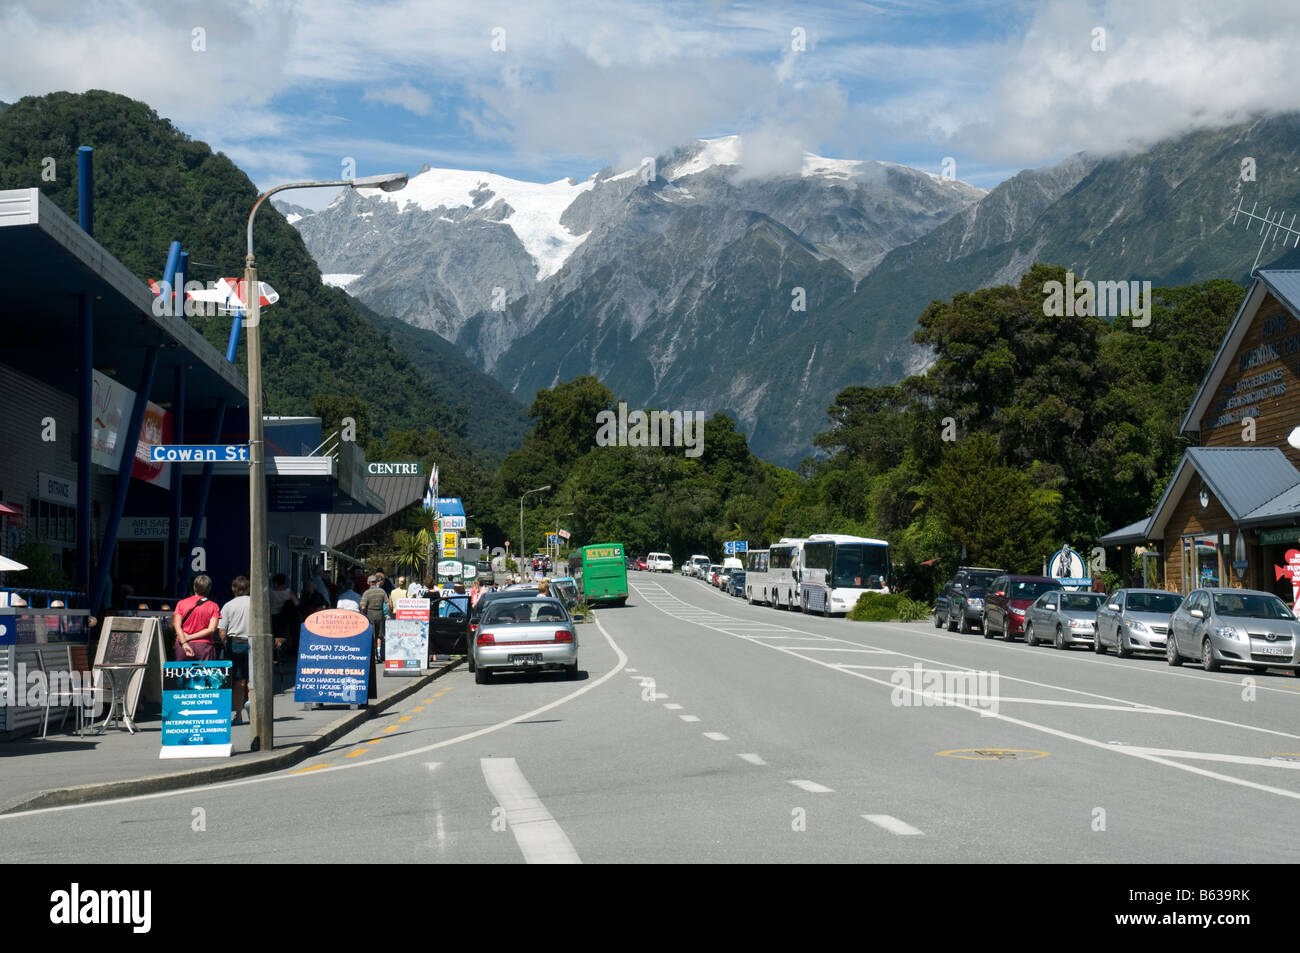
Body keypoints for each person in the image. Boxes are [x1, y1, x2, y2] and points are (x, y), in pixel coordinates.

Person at [220, 575, 252, 725]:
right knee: (252, 680)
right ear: (248, 588)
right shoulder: (255, 602)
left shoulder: (228, 605)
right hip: (254, 641)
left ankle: (238, 715)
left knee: (238, 681)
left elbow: (222, 630)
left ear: (233, 589)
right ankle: (254, 711)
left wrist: (224, 643)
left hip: (235, 644)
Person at [172, 574, 221, 661]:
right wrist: (190, 637)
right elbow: (211, 629)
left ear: (194, 587)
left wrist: (184, 641)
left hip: (183, 645)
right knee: (205, 673)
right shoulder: (214, 606)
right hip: (204, 647)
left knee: (182, 673)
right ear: (209, 588)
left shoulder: (181, 603)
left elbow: (177, 625)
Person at [360, 573, 393, 663]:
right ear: (376, 582)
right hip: (380, 613)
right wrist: (389, 614)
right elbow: (389, 604)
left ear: (368, 583)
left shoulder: (366, 593)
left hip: (370, 614)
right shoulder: (382, 592)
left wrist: (364, 614)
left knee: (372, 635)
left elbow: (363, 607)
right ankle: (379, 653)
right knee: (380, 634)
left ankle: (373, 654)